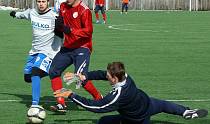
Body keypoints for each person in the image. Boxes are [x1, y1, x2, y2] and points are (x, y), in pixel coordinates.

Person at [54, 61, 208, 124]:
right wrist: (84, 76)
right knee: (164, 105)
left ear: (114, 78)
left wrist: (71, 95)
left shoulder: (118, 95)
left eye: (109, 76)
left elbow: (97, 107)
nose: (105, 76)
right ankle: (187, 111)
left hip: (135, 118)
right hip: (148, 102)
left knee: (102, 121)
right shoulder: (125, 77)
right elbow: (102, 73)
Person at [49, 0, 102, 113]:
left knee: (80, 78)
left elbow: (89, 31)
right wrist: (58, 27)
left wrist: (70, 30)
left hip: (82, 48)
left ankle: (98, 98)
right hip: (67, 47)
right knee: (53, 71)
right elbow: (61, 24)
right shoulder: (62, 7)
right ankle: (61, 103)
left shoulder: (84, 10)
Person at [9, 0, 63, 107]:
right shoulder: (32, 13)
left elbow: (63, 29)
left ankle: (35, 104)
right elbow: (22, 14)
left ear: (48, 2)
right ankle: (48, 70)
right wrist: (14, 14)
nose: (41, 4)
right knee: (27, 77)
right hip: (34, 50)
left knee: (35, 73)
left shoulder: (54, 16)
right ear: (36, 2)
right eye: (39, 1)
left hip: (48, 52)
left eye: (43, 1)